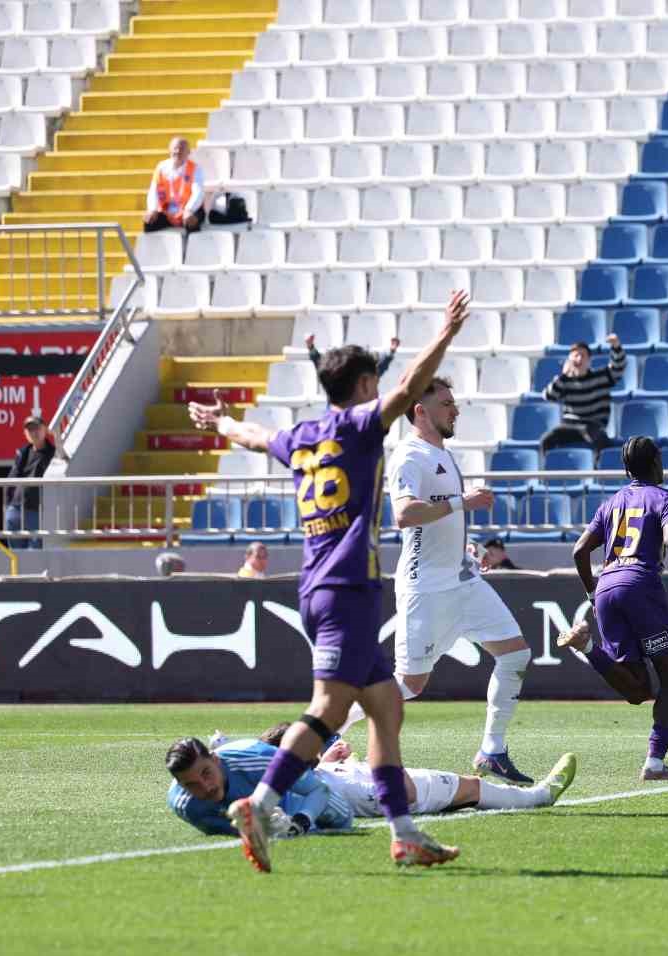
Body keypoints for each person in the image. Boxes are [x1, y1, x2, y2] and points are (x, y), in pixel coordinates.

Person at [187, 288, 471, 873]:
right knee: (329, 710)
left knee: (386, 707)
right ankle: (260, 803)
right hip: (347, 588)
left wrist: (220, 421)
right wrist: (445, 333)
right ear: (365, 385)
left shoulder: (302, 436)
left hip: (322, 587)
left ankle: (404, 834)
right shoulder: (362, 427)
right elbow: (410, 386)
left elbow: (253, 436)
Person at [390, 376, 537, 785]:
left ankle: (493, 750)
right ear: (420, 411)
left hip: (462, 580)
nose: (455, 410)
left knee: (516, 654)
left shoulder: (440, 453)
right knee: (409, 685)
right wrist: (462, 502)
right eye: (447, 404)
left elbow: (437, 517)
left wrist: (464, 546)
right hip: (427, 589)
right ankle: (322, 734)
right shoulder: (410, 455)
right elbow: (404, 515)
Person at [556, 436, 668, 781]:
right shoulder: (667, 499)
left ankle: (587, 646)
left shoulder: (610, 503)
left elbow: (579, 551)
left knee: (637, 690)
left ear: (625, 469)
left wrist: (593, 591)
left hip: (607, 587)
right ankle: (654, 763)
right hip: (641, 587)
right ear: (657, 463)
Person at [255, 722, 577, 820]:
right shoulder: (342, 790)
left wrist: (326, 761)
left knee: (468, 787)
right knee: (471, 787)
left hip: (373, 776)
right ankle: (540, 796)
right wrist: (384, 750)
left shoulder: (309, 777)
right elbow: (400, 796)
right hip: (409, 791)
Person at [167, 735, 352, 838]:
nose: (205, 787)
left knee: (342, 814)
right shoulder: (184, 805)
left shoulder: (260, 759)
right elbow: (230, 831)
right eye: (192, 785)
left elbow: (318, 790)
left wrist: (300, 822)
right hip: (265, 808)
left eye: (206, 773)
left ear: (216, 760)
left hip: (292, 790)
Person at [541, 335, 626, 452]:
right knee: (546, 440)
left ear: (589, 360)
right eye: (576, 355)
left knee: (600, 439)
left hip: (593, 425)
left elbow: (618, 368)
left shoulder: (601, 377)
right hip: (569, 425)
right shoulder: (564, 380)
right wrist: (563, 376)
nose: (579, 359)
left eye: (583, 355)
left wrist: (616, 346)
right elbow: (548, 396)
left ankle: (597, 468)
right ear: (569, 359)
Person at [3, 415, 67, 549]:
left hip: (36, 511)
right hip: (15, 510)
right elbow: (12, 478)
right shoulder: (23, 452)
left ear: (45, 429)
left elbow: (63, 459)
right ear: (25, 433)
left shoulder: (52, 452)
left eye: (37, 428)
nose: (34, 432)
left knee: (35, 555)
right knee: (15, 556)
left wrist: (57, 437)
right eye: (30, 429)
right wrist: (9, 506)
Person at [143, 137, 207, 233]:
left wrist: (189, 209)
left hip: (188, 210)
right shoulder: (161, 167)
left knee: (191, 222)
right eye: (175, 148)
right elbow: (153, 190)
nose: (178, 151)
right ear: (169, 150)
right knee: (149, 222)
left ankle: (192, 247)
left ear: (188, 152)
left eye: (181, 149)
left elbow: (198, 192)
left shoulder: (195, 168)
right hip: (167, 211)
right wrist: (152, 209)